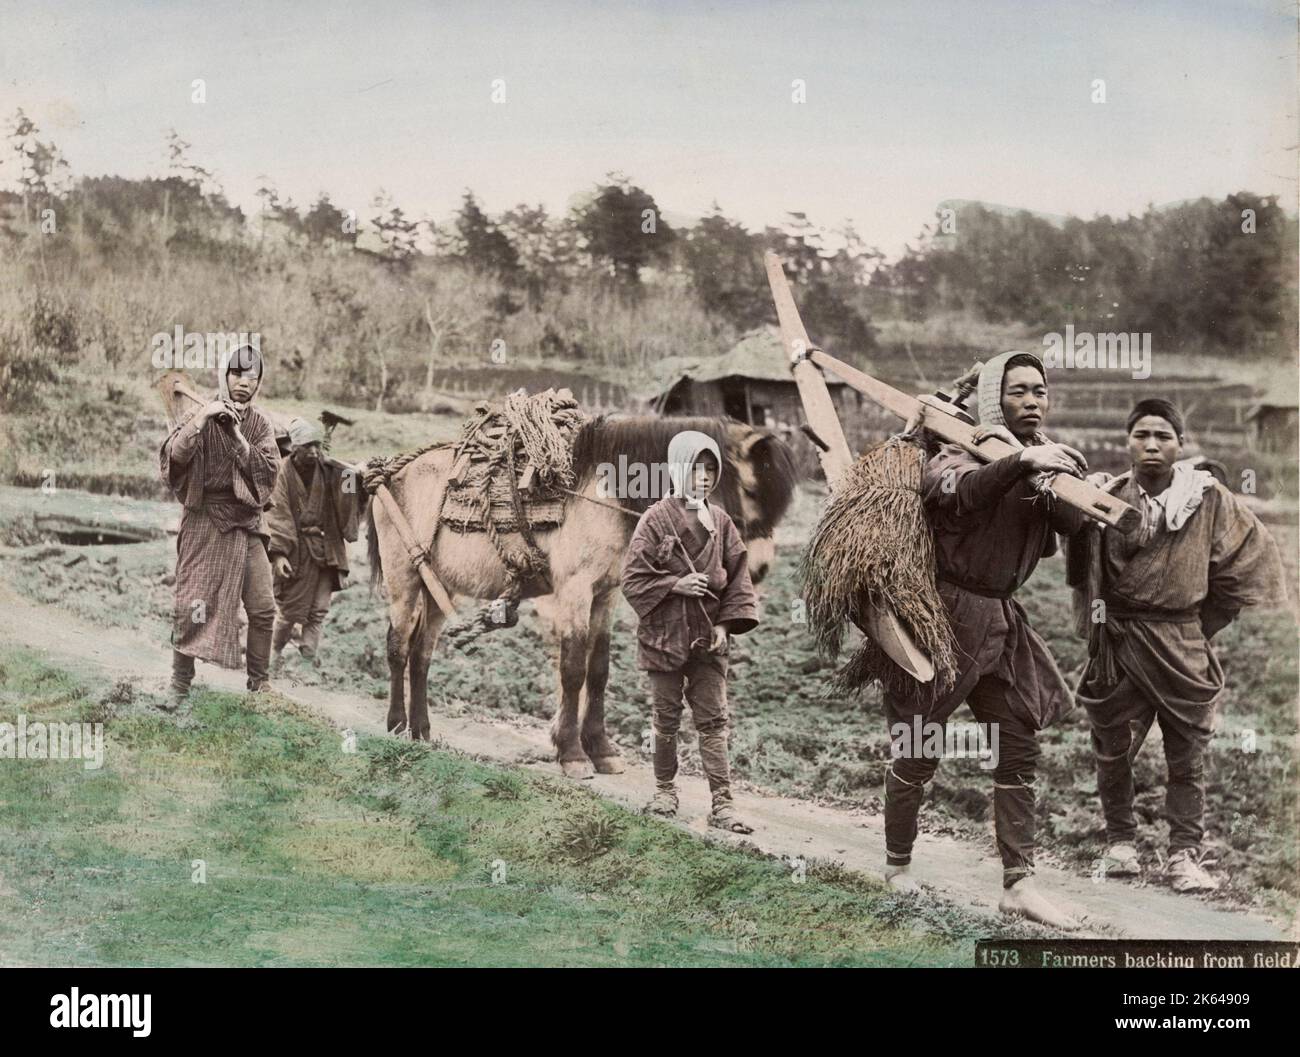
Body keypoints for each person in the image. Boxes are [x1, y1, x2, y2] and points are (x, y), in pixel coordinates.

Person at [885, 351, 1089, 929]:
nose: (1033, 401)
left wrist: (1069, 485)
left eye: (1040, 391)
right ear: (995, 397)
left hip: (1003, 617)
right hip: (946, 613)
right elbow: (964, 494)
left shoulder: (1045, 459)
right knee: (919, 742)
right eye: (1019, 391)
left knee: (1018, 739)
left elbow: (1073, 528)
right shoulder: (955, 450)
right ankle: (898, 866)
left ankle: (1018, 883)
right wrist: (1024, 461)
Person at [1069, 399, 1286, 892]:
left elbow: (1248, 560)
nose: (1151, 445)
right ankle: (1120, 842)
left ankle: (1184, 854)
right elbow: (1084, 571)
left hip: (1182, 644)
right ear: (1126, 442)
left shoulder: (1206, 499)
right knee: (1112, 750)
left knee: (1187, 758)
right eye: (1141, 435)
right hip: (1120, 642)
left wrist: (1197, 625)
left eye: (1162, 436)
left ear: (1180, 445)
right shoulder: (1105, 498)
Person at [620, 431, 759, 833]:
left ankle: (723, 804)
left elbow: (738, 580)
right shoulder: (654, 519)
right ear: (678, 469)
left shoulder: (721, 522)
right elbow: (632, 580)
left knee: (714, 721)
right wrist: (674, 585)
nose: (702, 477)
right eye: (695, 468)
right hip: (664, 637)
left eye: (710, 469)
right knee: (666, 720)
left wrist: (724, 624)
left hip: (708, 641)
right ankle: (665, 790)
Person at [160, 345, 281, 704]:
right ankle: (179, 683)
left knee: (263, 608)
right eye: (237, 374)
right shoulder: (201, 411)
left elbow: (268, 472)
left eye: (252, 376)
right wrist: (203, 420)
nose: (244, 382)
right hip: (204, 520)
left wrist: (239, 439)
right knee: (190, 603)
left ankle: (259, 686)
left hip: (245, 524)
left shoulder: (260, 425)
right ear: (224, 376)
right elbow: (174, 458)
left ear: (259, 383)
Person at [266, 417, 362, 666]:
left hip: (326, 549)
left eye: (317, 446)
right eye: (307, 446)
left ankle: (308, 659)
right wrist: (279, 555)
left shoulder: (329, 470)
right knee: (289, 612)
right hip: (296, 551)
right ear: (295, 448)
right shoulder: (281, 473)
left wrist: (352, 475)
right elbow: (277, 515)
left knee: (318, 610)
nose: (314, 452)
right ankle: (273, 655)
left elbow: (348, 491)